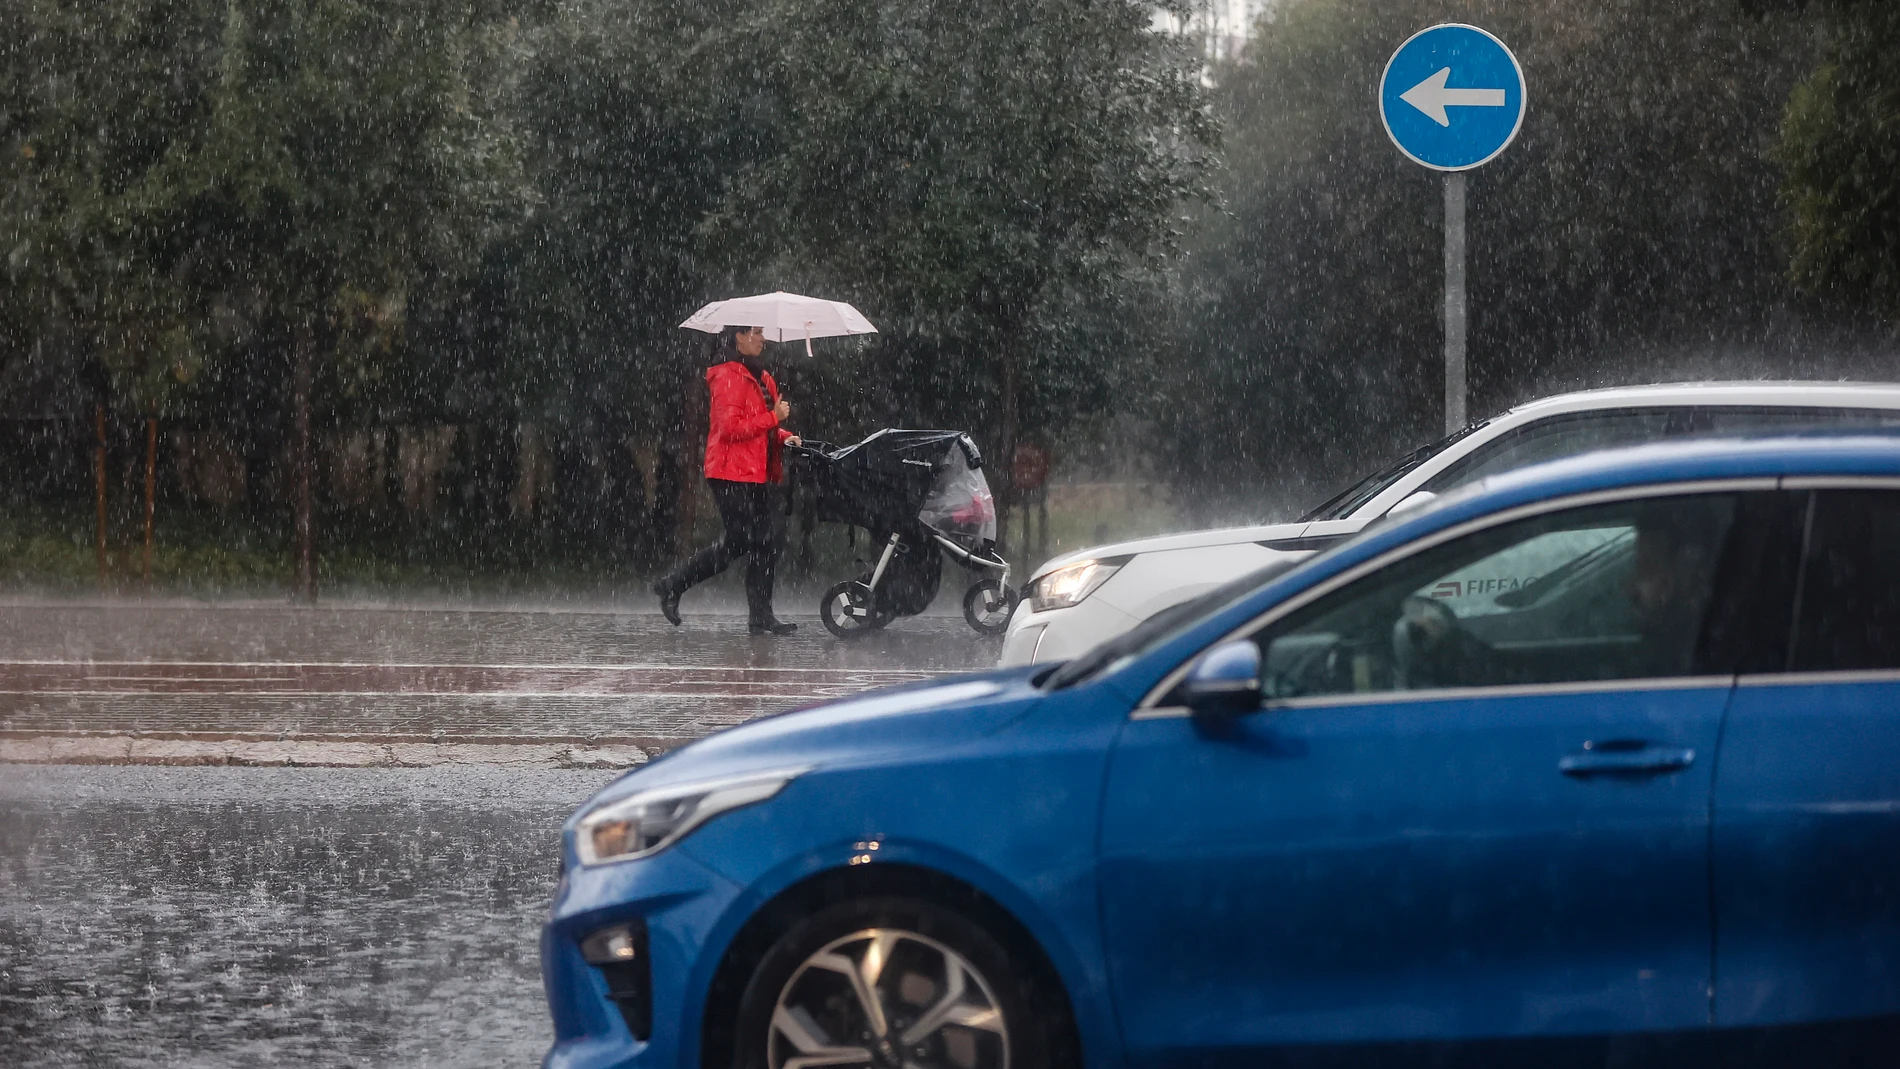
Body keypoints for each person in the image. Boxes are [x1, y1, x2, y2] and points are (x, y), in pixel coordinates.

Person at [652, 325, 802, 634]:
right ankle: (672, 585)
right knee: (742, 540)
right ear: (739, 336)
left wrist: (784, 435)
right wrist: (774, 418)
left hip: (756, 472)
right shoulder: (727, 376)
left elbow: (761, 430)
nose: (763, 338)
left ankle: (760, 615)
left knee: (765, 544)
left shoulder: (762, 377)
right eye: (757, 332)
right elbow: (730, 429)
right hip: (728, 472)